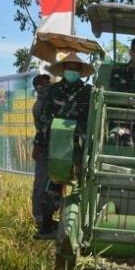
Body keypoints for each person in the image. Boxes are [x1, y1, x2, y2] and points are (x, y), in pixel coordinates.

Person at [34, 53, 93, 238]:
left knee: (85, 183)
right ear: (63, 69)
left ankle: (83, 225)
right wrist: (39, 143)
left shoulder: (89, 92)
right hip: (55, 144)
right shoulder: (52, 91)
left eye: (76, 68)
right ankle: (47, 224)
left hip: (79, 145)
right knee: (54, 184)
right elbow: (43, 120)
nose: (72, 71)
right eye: (69, 68)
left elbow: (92, 120)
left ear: (81, 71)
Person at [30, 74, 51, 229]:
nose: (47, 87)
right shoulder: (39, 106)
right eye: (43, 85)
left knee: (52, 185)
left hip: (54, 148)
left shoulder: (50, 103)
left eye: (48, 83)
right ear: (37, 88)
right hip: (44, 148)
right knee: (41, 184)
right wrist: (37, 145)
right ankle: (39, 216)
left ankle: (47, 216)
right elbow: (44, 128)